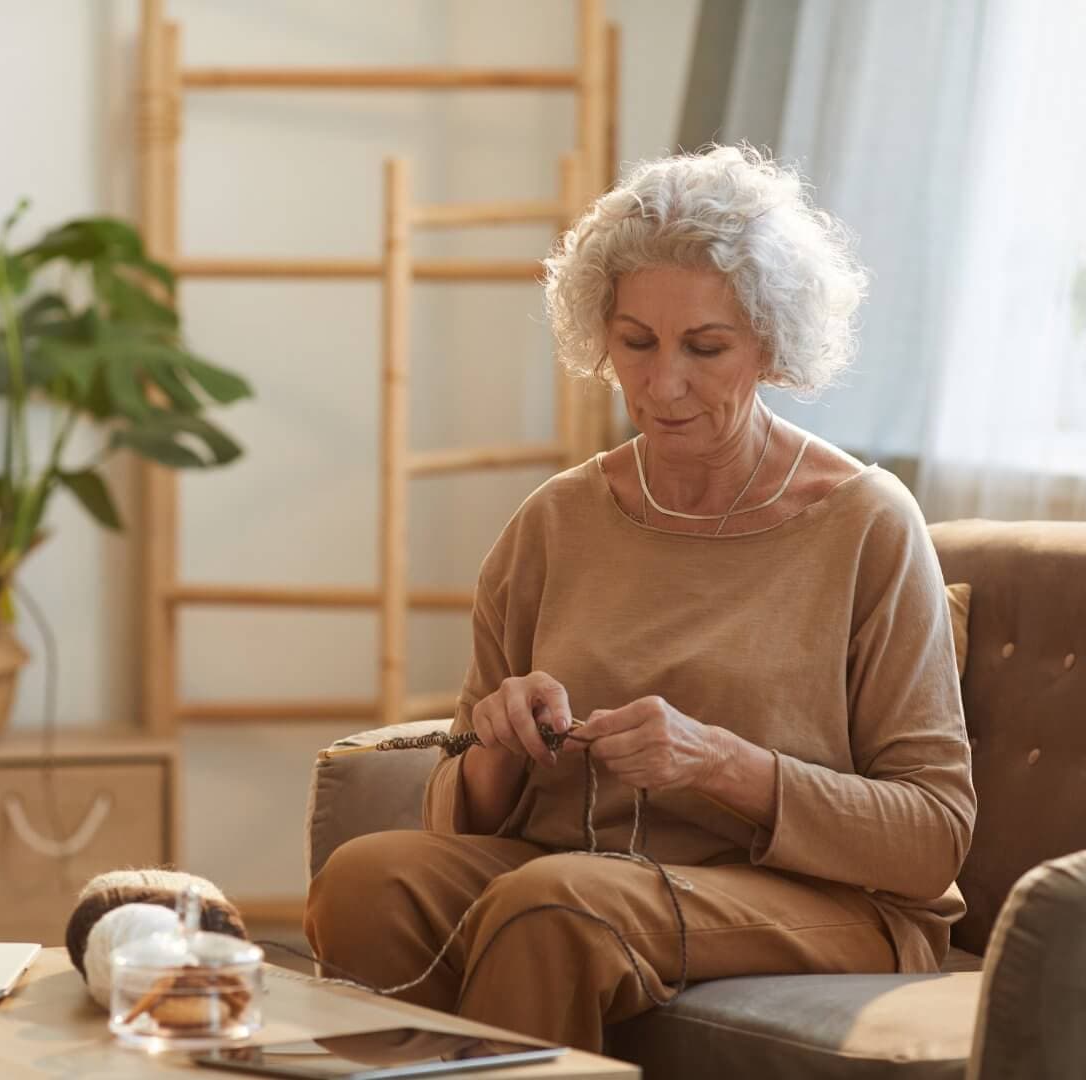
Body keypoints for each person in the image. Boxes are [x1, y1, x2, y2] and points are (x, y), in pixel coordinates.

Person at [303, 145, 976, 1052]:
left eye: (706, 347)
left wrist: (717, 763)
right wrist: (502, 745)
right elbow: (456, 805)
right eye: (636, 343)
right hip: (586, 874)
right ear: (600, 336)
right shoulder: (556, 520)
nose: (662, 385)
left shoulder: (865, 524)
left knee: (557, 903)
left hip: (827, 903)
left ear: (771, 344)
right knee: (370, 877)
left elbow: (933, 835)